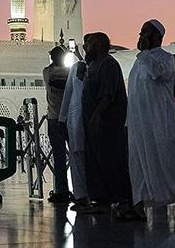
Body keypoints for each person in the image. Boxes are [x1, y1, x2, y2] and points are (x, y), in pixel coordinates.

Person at [126, 20, 175, 219]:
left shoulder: (166, 59)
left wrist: (145, 52)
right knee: (138, 163)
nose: (141, 35)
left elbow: (157, 73)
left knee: (170, 161)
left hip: (161, 122)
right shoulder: (139, 61)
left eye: (145, 32)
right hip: (140, 124)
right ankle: (138, 205)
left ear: (157, 35)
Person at [75, 32, 134, 217]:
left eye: (90, 44)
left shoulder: (108, 64)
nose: (86, 47)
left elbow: (107, 95)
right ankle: (102, 201)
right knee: (97, 162)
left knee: (111, 162)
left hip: (107, 123)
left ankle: (123, 200)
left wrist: (96, 116)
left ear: (99, 45)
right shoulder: (93, 65)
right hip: (94, 124)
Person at [59, 38, 88, 209]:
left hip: (93, 121)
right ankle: (81, 196)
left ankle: (96, 196)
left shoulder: (103, 67)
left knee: (93, 158)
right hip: (76, 121)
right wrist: (62, 119)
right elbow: (68, 94)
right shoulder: (77, 68)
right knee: (77, 157)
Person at [43, 46, 72, 203]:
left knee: (59, 156)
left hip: (54, 118)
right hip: (69, 118)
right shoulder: (70, 73)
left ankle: (61, 190)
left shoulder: (47, 72)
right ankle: (81, 192)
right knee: (75, 155)